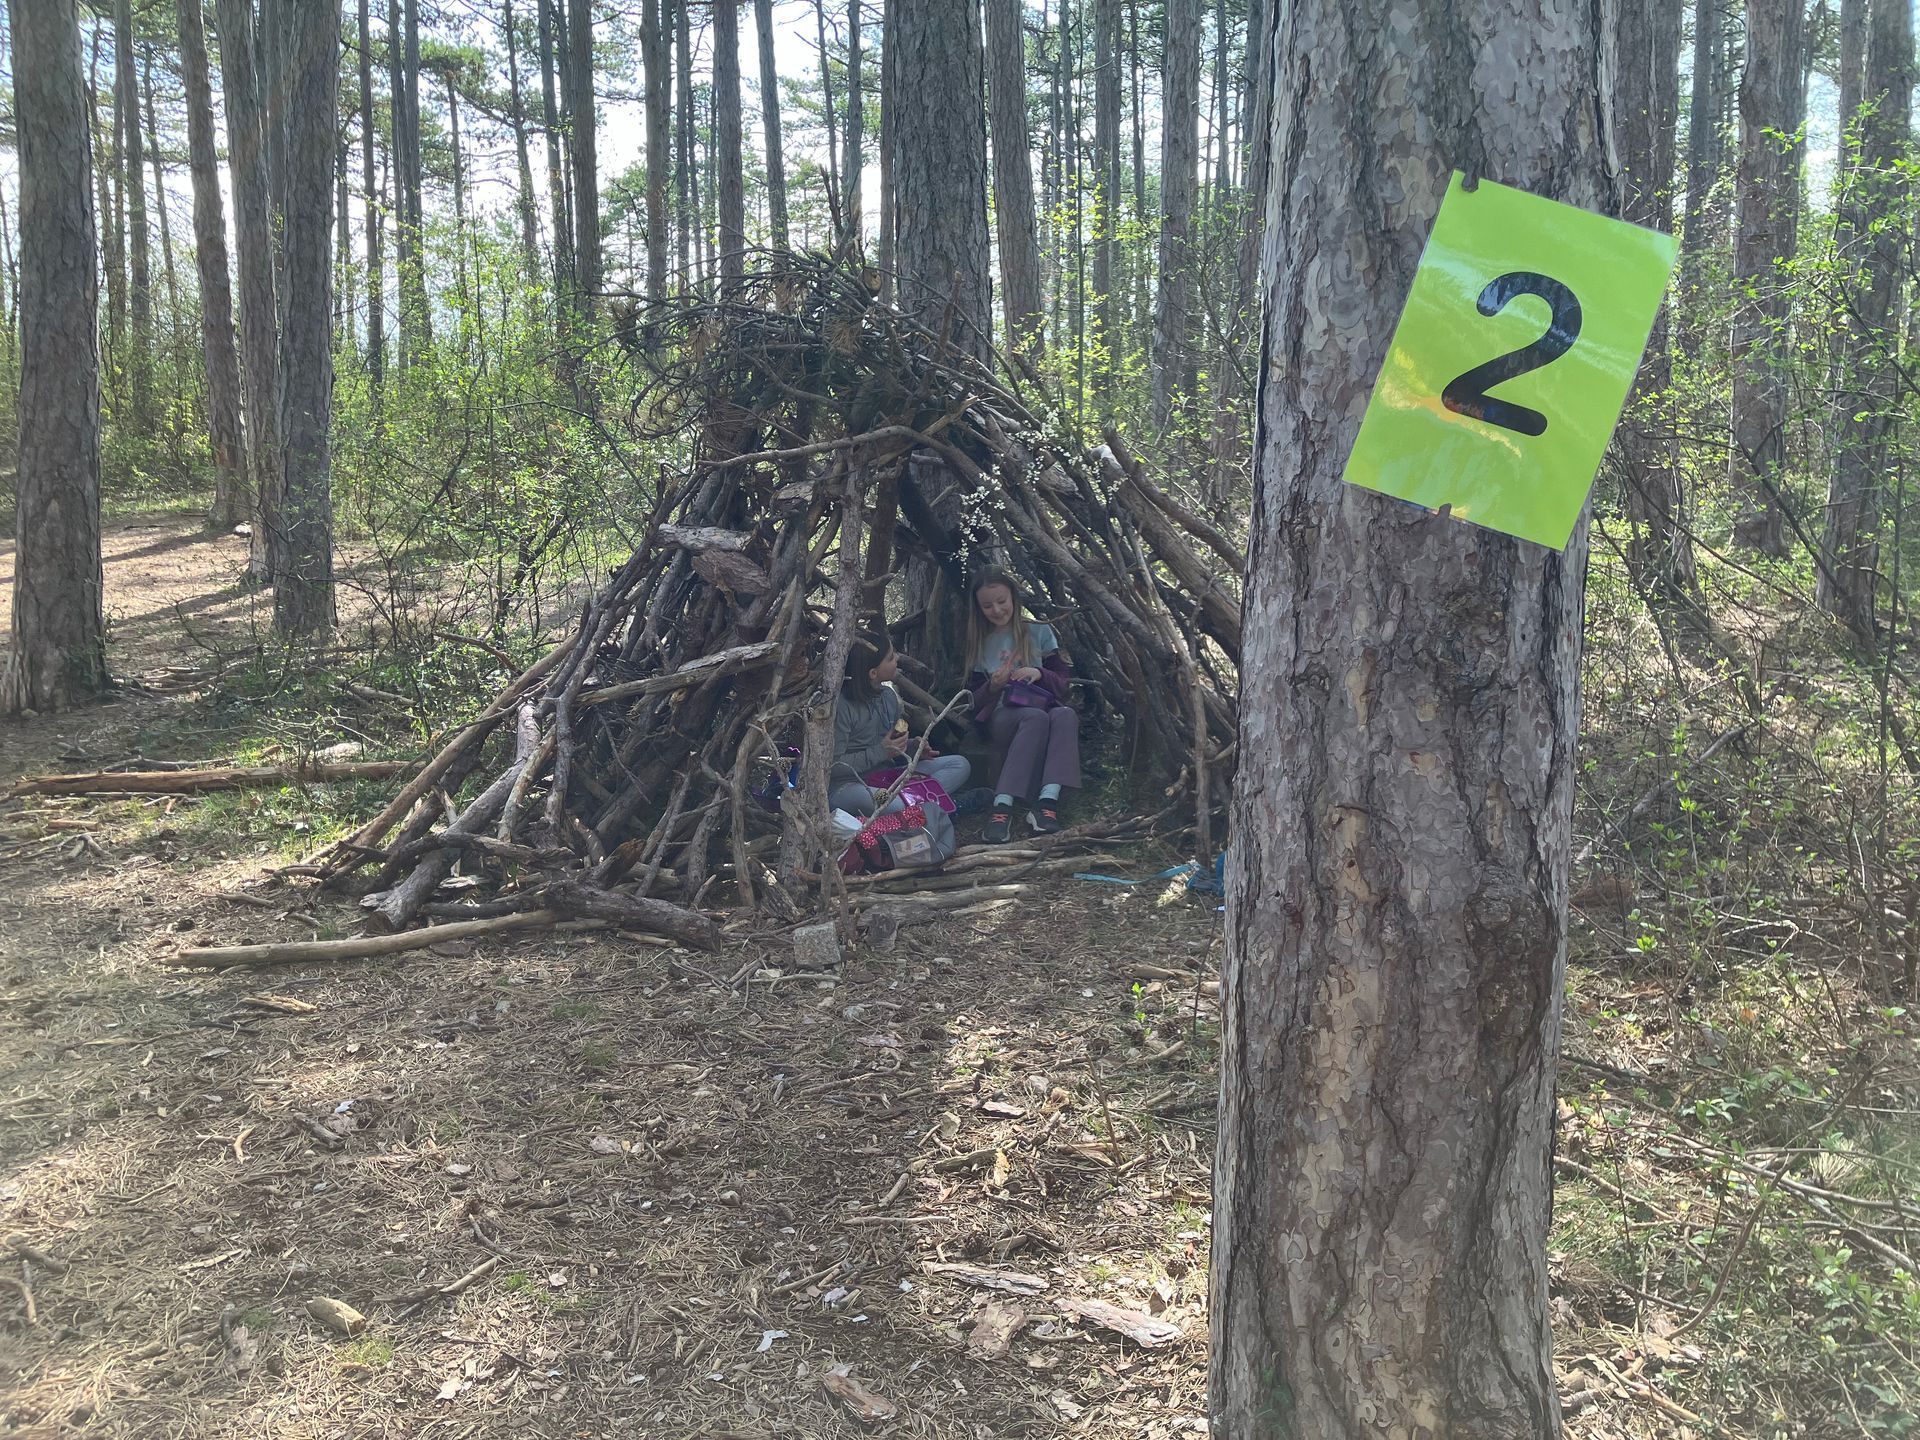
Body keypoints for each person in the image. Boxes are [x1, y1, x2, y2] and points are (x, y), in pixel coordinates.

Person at [964, 570, 1081, 842]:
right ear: (978, 608)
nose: (996, 610)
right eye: (987, 605)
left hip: (1043, 704)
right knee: (1035, 718)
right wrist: (993, 685)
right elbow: (972, 701)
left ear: (1014, 598)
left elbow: (1063, 681)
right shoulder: (980, 640)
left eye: (1001, 601)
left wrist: (1039, 673)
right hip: (1003, 715)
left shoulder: (1038, 630)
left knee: (1065, 715)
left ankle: (1047, 803)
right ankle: (1002, 806)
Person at [830, 626, 971, 818]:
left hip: (887, 777)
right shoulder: (842, 707)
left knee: (959, 765)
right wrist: (881, 752)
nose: (897, 658)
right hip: (849, 786)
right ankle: (945, 809)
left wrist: (912, 748)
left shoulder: (888, 697)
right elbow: (834, 766)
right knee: (895, 803)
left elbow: (891, 748)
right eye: (890, 657)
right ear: (873, 673)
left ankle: (923, 810)